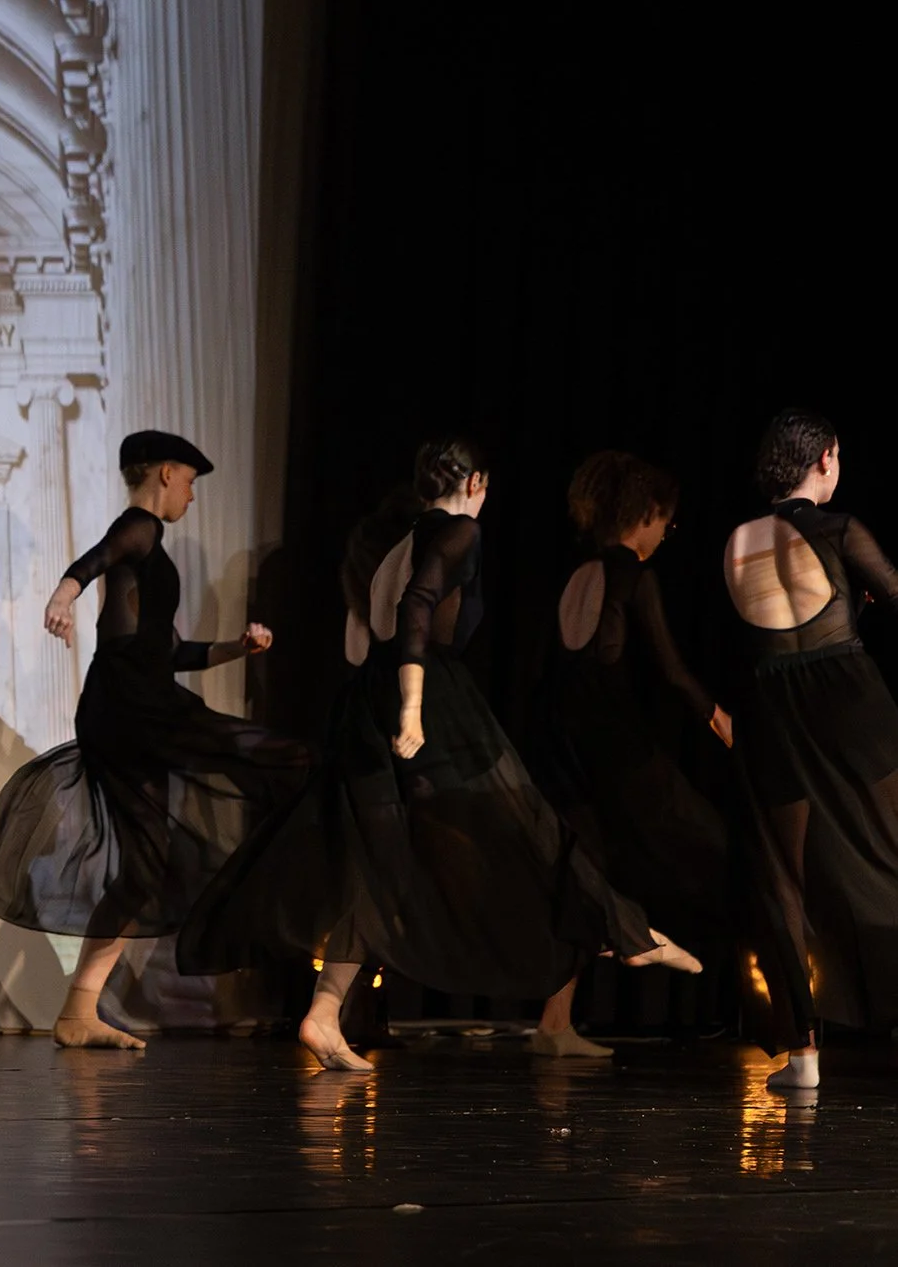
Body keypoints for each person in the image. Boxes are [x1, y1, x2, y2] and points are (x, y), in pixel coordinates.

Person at [178, 438, 700, 1073]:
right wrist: (413, 707)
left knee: (379, 864)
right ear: (476, 481)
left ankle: (323, 1012)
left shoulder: (403, 537)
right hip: (425, 697)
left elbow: (387, 617)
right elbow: (416, 608)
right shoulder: (459, 532)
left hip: (368, 698)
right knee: (521, 815)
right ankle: (627, 935)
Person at [0, 431, 312, 1050]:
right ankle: (289, 893)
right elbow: (95, 559)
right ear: (168, 473)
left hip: (136, 702)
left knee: (145, 869)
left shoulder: (152, 550)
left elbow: (167, 650)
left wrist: (236, 648)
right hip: (134, 708)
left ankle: (77, 1012)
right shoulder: (140, 527)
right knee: (288, 761)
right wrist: (63, 595)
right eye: (191, 484)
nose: (193, 498)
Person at [526, 452, 734, 1058]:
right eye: (664, 525)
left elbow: (552, 673)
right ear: (644, 515)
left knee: (589, 875)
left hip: (565, 754)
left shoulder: (576, 572)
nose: (664, 537)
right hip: (615, 755)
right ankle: (780, 993)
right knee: (712, 848)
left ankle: (554, 1024)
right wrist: (718, 717)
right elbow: (668, 669)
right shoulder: (632, 574)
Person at [723, 409, 898, 1090]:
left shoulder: (735, 541)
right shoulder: (838, 527)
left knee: (782, 881)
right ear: (824, 458)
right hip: (847, 695)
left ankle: (803, 1054)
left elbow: (761, 625)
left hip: (773, 707)